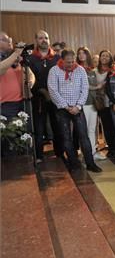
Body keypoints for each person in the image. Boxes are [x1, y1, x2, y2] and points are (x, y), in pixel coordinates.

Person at [47, 49, 102, 173]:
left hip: (78, 108)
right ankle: (74, 163)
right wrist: (66, 106)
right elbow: (53, 91)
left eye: (72, 62)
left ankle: (90, 163)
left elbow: (85, 89)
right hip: (62, 109)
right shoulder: (54, 71)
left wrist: (78, 106)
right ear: (62, 60)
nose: (71, 64)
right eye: (68, 62)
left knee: (84, 136)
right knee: (66, 137)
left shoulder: (80, 70)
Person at [27, 30, 64, 162]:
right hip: (38, 99)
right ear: (36, 40)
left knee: (58, 126)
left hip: (56, 98)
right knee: (39, 127)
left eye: (46, 38)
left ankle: (60, 153)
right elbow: (28, 79)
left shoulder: (57, 58)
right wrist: (41, 91)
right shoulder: (30, 59)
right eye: (41, 38)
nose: (44, 40)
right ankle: (39, 156)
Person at [76, 47, 106, 161]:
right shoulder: (77, 69)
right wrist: (97, 87)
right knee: (84, 130)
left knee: (92, 129)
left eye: (83, 53)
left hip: (93, 103)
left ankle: (93, 152)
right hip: (83, 103)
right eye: (79, 53)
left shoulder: (91, 70)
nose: (81, 55)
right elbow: (81, 86)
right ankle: (86, 153)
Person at [0, 42, 35, 120]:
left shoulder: (21, 65)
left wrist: (31, 82)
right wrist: (16, 53)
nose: (18, 58)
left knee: (24, 128)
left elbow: (31, 75)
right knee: (10, 130)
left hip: (23, 102)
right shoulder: (4, 65)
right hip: (7, 104)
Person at [96, 50, 115, 158]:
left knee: (114, 126)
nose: (104, 57)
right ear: (99, 58)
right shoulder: (95, 71)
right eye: (102, 56)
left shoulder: (113, 70)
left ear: (110, 59)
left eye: (107, 56)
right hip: (100, 103)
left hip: (111, 102)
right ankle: (111, 147)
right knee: (106, 127)